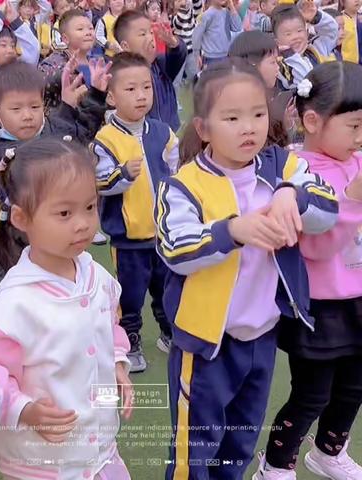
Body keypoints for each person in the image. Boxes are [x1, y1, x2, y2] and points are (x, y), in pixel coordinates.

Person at [155, 58, 339, 480]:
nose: (248, 127)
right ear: (203, 129)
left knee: (239, 443)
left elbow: (327, 203)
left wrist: (292, 195)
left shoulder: (280, 167)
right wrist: (233, 231)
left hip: (261, 337)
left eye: (257, 114)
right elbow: (174, 248)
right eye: (232, 117)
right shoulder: (183, 185)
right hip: (205, 345)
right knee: (193, 450)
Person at [0, 137, 134, 480]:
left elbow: (108, 322)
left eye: (89, 207)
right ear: (21, 217)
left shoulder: (95, 274)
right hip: (44, 463)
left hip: (99, 451)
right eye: (64, 213)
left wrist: (117, 361)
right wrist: (23, 410)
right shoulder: (13, 305)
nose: (82, 223)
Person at [254, 61, 362, 480]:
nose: (359, 137)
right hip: (319, 305)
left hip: (357, 300)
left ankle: (328, 451)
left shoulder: (354, 161)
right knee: (311, 394)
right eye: (353, 126)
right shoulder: (300, 172)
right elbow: (317, 247)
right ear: (313, 121)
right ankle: (276, 464)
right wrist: (352, 198)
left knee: (354, 386)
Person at [92, 52, 179, 372]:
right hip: (128, 238)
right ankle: (130, 339)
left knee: (166, 288)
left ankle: (169, 333)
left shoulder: (163, 132)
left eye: (146, 87)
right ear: (112, 96)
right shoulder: (106, 139)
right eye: (131, 89)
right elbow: (100, 183)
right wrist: (123, 175)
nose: (141, 95)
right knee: (130, 295)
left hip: (161, 233)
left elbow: (175, 172)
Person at [0, 59, 110, 272]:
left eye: (34, 106)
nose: (27, 115)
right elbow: (32, 154)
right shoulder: (0, 149)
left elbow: (80, 130)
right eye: (16, 108)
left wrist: (94, 95)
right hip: (18, 236)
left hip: (57, 227)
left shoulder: (48, 129)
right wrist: (64, 116)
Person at [113, 9, 187, 132]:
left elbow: (179, 55)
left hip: (171, 133)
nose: (150, 37)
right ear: (125, 46)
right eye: (142, 34)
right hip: (146, 138)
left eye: (151, 32)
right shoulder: (123, 76)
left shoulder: (161, 66)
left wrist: (173, 44)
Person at [39, 9, 97, 112]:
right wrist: (64, 73)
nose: (88, 33)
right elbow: (40, 80)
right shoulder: (56, 61)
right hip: (65, 123)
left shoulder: (96, 64)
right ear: (65, 38)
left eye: (91, 28)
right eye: (80, 29)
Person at [272, 2, 338, 89]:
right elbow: (306, 81)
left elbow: (331, 31)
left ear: (307, 32)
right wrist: (290, 55)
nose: (295, 37)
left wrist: (315, 17)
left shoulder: (314, 50)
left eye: (299, 31)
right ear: (277, 41)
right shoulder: (279, 66)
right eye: (288, 34)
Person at [192, 0, 242, 67]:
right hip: (211, 58)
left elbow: (237, 27)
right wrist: (196, 53)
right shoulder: (206, 15)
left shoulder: (227, 12)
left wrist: (232, 7)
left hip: (226, 55)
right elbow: (196, 35)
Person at [171, 0, 204, 87]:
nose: (184, 2)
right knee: (176, 81)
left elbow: (198, 7)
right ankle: (175, 100)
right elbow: (180, 20)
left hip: (192, 51)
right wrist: (184, 6)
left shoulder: (191, 12)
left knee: (196, 77)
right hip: (179, 53)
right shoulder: (173, 17)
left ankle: (197, 97)